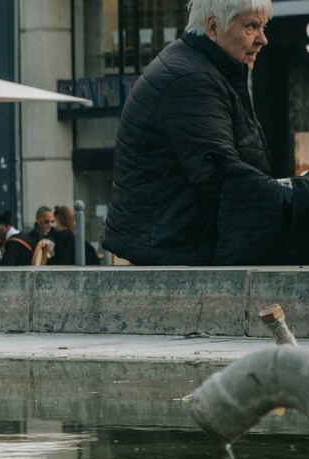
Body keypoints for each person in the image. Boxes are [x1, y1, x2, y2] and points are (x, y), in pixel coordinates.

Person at [108, 0, 281, 265]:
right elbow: (224, 180)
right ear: (213, 26)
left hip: (185, 254)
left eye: (263, 27)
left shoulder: (203, 70)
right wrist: (297, 197)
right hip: (184, 261)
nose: (263, 39)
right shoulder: (191, 80)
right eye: (252, 26)